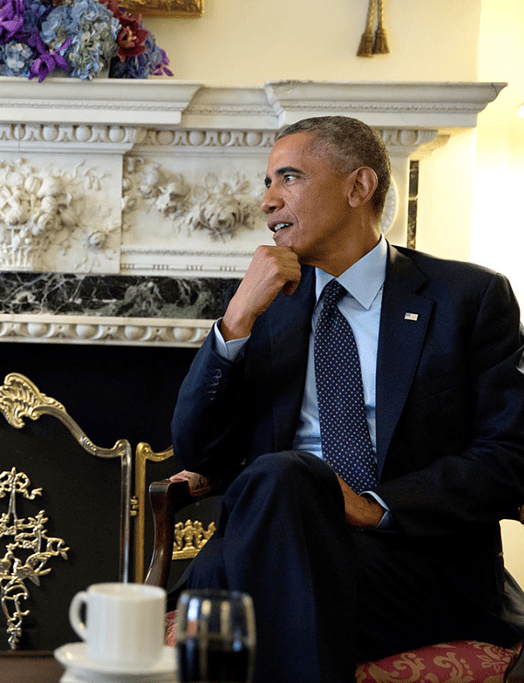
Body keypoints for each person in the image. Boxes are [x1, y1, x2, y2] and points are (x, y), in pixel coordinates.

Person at [170, 115, 524, 682]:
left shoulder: (469, 298)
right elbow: (198, 453)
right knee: (283, 484)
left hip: (413, 563)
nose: (267, 201)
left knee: (274, 502)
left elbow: (509, 458)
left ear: (359, 187)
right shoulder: (262, 307)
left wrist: (375, 504)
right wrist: (234, 323)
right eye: (267, 183)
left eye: (288, 178)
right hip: (280, 546)